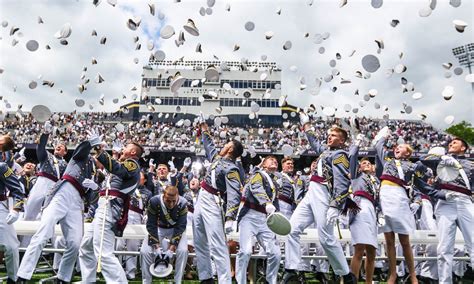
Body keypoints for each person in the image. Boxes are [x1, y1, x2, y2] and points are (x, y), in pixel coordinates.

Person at [282, 114, 358, 284]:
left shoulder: (340, 154)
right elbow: (314, 142)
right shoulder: (326, 152)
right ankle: (291, 269)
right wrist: (307, 125)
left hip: (324, 193)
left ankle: (346, 275)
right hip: (311, 192)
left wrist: (336, 205)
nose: (329, 137)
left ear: (342, 141)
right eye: (329, 135)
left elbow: (342, 180)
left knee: (326, 238)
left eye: (334, 136)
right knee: (291, 228)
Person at [17, 136, 96, 283]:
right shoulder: (75, 159)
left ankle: (63, 277)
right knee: (42, 232)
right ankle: (23, 275)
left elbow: (91, 197)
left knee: (74, 243)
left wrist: (95, 189)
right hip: (61, 191)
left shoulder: (91, 172)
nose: (92, 157)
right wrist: (90, 142)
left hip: (77, 200)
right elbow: (42, 148)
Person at [78, 134, 142, 283]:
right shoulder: (124, 163)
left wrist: (99, 149)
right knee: (86, 247)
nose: (123, 148)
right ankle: (88, 280)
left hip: (109, 205)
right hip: (104, 204)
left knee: (103, 252)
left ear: (133, 152)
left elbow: (119, 171)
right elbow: (111, 182)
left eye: (126, 147)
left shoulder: (132, 163)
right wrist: (97, 187)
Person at [414, 137, 473, 283]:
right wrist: (438, 194)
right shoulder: (441, 160)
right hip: (445, 200)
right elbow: (422, 159)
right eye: (450, 142)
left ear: (463, 148)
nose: (451, 144)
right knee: (444, 248)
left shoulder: (471, 164)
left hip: (465, 201)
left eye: (455, 142)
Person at [193, 122, 243, 283]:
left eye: (227, 144)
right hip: (202, 196)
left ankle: (225, 280)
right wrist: (205, 130)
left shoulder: (232, 168)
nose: (223, 145)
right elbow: (209, 146)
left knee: (218, 245)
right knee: (199, 240)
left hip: (214, 201)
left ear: (230, 149)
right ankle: (206, 277)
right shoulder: (217, 158)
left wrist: (230, 217)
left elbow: (235, 193)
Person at [375, 132, 420, 284]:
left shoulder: (412, 166)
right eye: (396, 147)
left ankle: (413, 275)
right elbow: (378, 146)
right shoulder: (387, 161)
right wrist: (385, 135)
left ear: (408, 152)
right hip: (385, 196)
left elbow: (420, 183)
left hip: (399, 197)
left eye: (401, 147)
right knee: (389, 240)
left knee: (404, 240)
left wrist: (417, 201)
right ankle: (392, 274)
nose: (397, 148)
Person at [20, 122, 68, 247]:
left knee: (50, 219)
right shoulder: (48, 156)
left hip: (55, 188)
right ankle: (24, 247)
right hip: (42, 183)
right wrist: (45, 134)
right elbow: (40, 147)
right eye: (57, 145)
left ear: (65, 152)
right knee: (30, 214)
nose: (59, 146)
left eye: (62, 146)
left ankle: (51, 250)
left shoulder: (67, 164)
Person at [236, 156, 281, 284]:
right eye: (271, 160)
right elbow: (256, 188)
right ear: (264, 165)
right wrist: (266, 203)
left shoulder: (275, 182)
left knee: (275, 253)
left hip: (265, 220)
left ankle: (270, 281)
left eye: (276, 161)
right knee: (245, 251)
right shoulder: (258, 174)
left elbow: (276, 204)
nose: (274, 161)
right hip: (249, 217)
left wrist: (277, 219)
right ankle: (241, 282)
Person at [348, 139, 380, 283]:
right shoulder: (356, 176)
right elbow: (353, 156)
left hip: (373, 211)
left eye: (369, 163)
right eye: (363, 163)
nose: (366, 164)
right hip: (360, 206)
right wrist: (358, 143)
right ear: (359, 167)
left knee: (372, 251)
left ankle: (368, 282)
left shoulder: (377, 180)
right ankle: (352, 281)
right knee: (359, 248)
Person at [140, 185, 188, 284]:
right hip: (159, 228)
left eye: (174, 201)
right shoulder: (154, 201)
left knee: (183, 251)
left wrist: (172, 248)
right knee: (144, 251)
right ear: (163, 196)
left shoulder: (183, 203)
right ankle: (146, 281)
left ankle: (177, 281)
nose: (171, 204)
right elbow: (151, 224)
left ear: (177, 196)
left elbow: (181, 226)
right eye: (168, 201)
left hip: (175, 229)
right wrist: (156, 247)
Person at [115, 171, 152, 280]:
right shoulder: (126, 186)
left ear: (144, 180)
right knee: (119, 245)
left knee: (133, 246)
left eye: (140, 177)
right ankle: (117, 269)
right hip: (124, 214)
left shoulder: (148, 192)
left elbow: (148, 207)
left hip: (137, 217)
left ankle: (130, 272)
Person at [0, 159, 26, 283]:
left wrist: (16, 208)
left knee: (10, 246)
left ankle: (13, 279)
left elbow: (17, 189)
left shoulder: (2, 167)